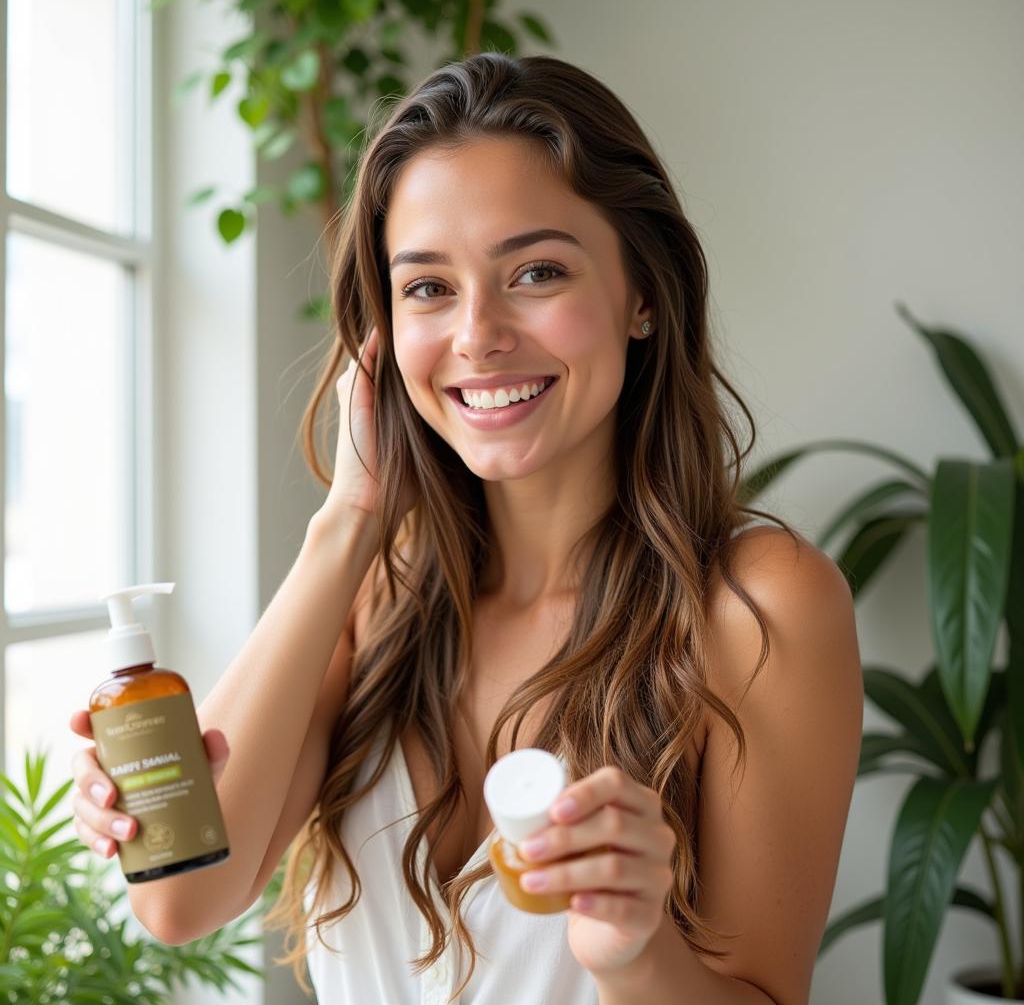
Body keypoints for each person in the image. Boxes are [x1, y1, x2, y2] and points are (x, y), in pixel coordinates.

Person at [68, 52, 863, 1005]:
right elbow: (184, 899)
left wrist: (635, 957)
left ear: (642, 294)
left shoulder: (757, 607)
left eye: (536, 271)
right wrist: (349, 520)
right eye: (428, 288)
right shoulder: (377, 588)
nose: (478, 334)